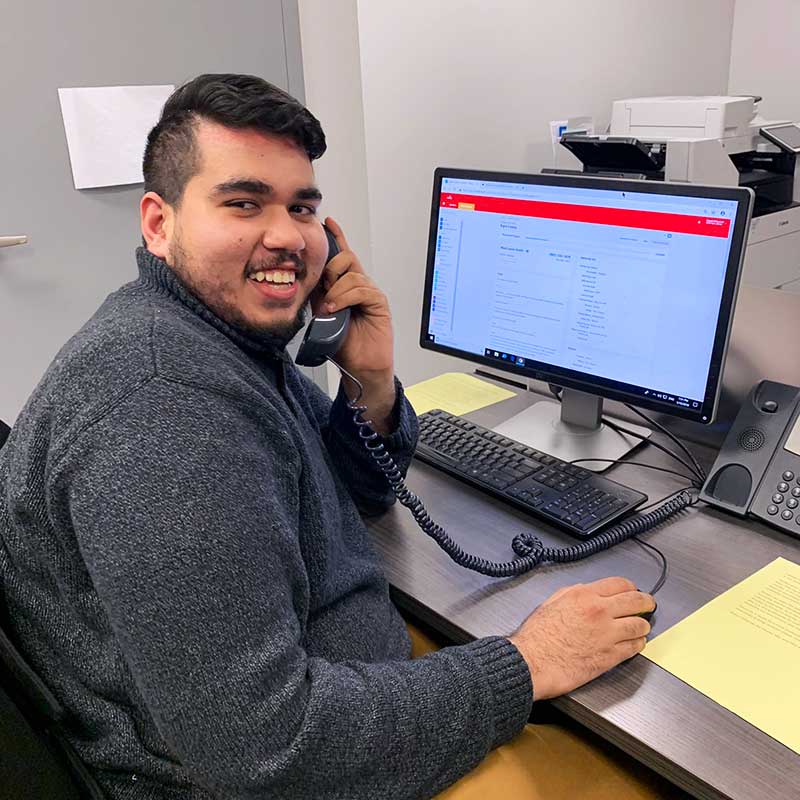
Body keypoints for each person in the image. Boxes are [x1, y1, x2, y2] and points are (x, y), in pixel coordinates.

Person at [0, 74, 667, 799]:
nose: (287, 236)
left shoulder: (218, 340)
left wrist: (371, 383)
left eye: (303, 207)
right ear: (158, 223)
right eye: (244, 202)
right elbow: (265, 752)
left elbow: (352, 497)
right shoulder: (166, 411)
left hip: (332, 689)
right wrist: (528, 661)